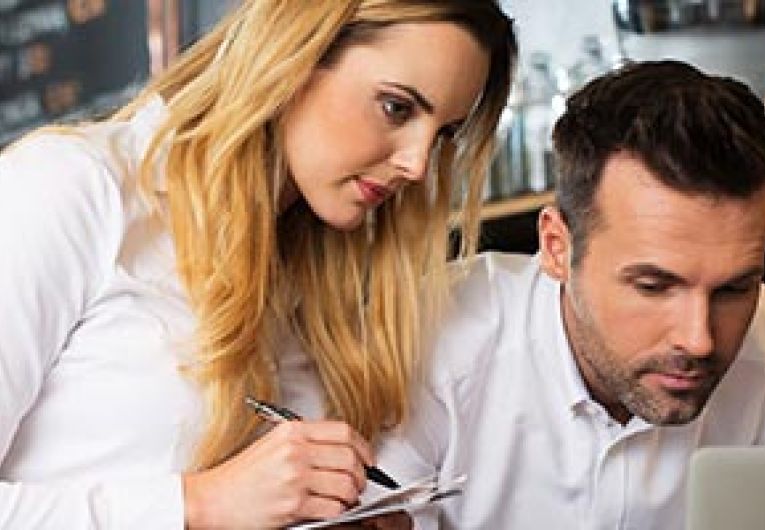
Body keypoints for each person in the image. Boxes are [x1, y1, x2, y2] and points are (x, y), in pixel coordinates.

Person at [0, 1, 517, 528]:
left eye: (445, 134)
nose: (416, 164)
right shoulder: (71, 189)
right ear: (296, 56)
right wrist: (200, 504)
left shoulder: (317, 276)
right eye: (396, 108)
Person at [375, 59, 765, 529]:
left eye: (734, 290)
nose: (699, 340)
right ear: (557, 247)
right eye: (653, 286)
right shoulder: (428, 342)